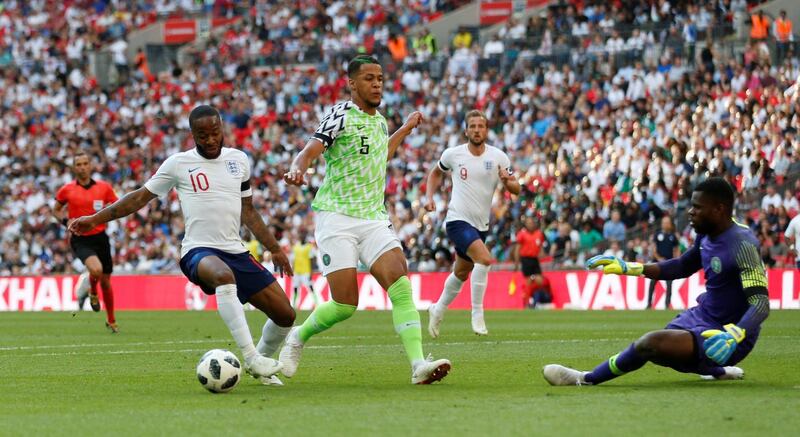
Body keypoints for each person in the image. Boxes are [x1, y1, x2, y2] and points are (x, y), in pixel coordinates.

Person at [70, 105, 295, 385]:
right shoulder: (178, 163)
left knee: (286, 315)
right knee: (223, 276)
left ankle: (259, 363)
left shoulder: (239, 160)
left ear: (222, 129)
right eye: (203, 135)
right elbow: (139, 198)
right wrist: (95, 219)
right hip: (198, 251)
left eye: (215, 133)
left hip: (236, 250)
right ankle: (250, 356)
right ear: (193, 135)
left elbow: (248, 210)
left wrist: (274, 247)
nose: (211, 140)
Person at [281, 55, 451, 385]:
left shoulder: (380, 122)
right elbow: (311, 148)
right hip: (337, 216)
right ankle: (297, 337)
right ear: (353, 83)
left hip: (373, 217)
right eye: (369, 78)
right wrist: (298, 169)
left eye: (380, 79)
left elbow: (380, 154)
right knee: (345, 305)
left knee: (400, 285)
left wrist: (404, 128)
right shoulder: (339, 115)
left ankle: (418, 365)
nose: (376, 84)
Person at [543, 178, 770, 385]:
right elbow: (682, 265)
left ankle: (585, 379)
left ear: (719, 209)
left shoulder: (742, 245)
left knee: (650, 344)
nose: (690, 212)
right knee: (663, 352)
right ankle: (718, 371)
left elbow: (761, 303)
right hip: (702, 316)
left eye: (697, 207)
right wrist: (629, 268)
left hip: (728, 332)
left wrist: (735, 334)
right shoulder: (707, 234)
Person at [424, 110, 520, 337]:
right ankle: (477, 313)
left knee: (462, 271)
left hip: (481, 225)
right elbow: (435, 174)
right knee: (485, 259)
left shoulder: (498, 157)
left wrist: (508, 182)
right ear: (466, 130)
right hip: (457, 220)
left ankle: (437, 309)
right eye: (473, 126)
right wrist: (429, 197)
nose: (477, 130)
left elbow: (517, 189)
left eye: (481, 126)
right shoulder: (453, 155)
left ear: (487, 130)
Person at [55, 152, 120, 332]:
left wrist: (107, 215)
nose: (82, 167)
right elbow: (56, 209)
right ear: (74, 168)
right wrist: (64, 221)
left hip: (101, 238)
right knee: (96, 269)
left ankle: (112, 320)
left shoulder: (104, 187)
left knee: (106, 281)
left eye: (85, 163)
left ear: (90, 166)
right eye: (79, 164)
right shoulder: (66, 189)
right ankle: (92, 291)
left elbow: (117, 205)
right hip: (80, 239)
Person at [646, 215, 680, 309]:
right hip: (657, 263)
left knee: (669, 285)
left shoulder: (673, 236)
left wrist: (676, 260)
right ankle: (649, 304)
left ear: (670, 224)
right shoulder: (657, 235)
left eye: (667, 223)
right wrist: (659, 258)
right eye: (664, 222)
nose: (665, 224)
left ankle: (667, 304)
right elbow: (653, 248)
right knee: (652, 283)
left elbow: (676, 249)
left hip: (669, 264)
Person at [291, 231, 320, 308]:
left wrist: (311, 271)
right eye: (301, 236)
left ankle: (317, 303)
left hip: (306, 271)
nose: (302, 237)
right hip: (297, 271)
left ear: (305, 237)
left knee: (310, 287)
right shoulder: (296, 247)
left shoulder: (309, 247)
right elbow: (293, 260)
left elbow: (312, 259)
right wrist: (292, 270)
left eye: (303, 236)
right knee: (295, 288)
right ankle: (294, 305)